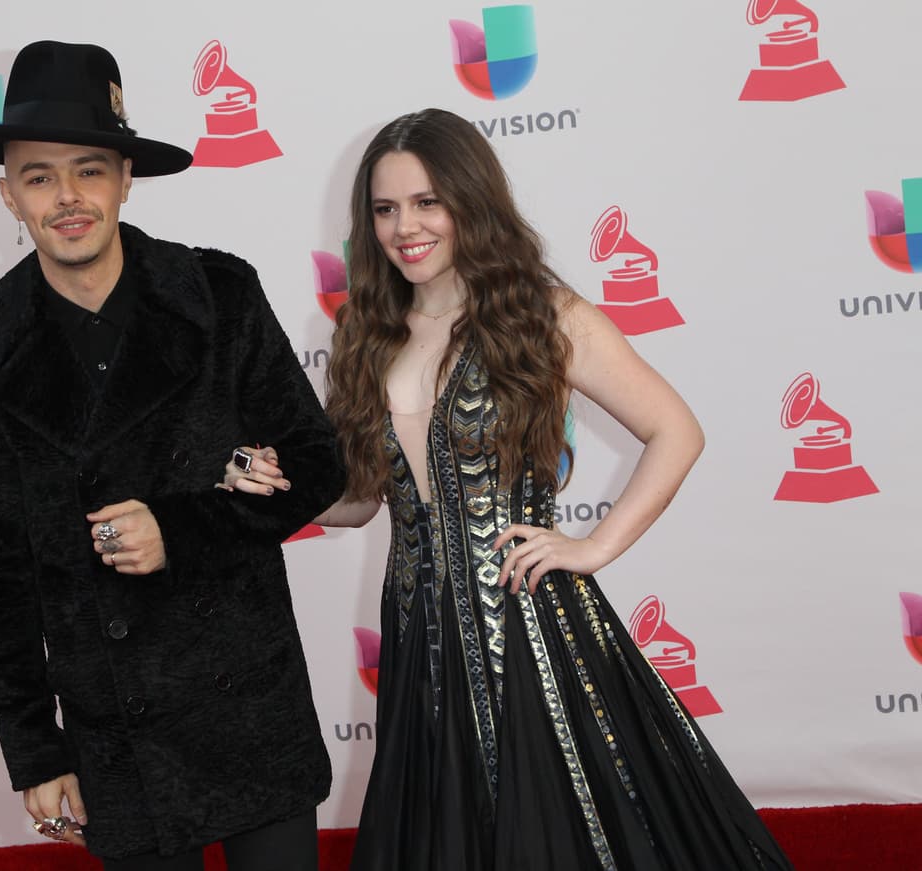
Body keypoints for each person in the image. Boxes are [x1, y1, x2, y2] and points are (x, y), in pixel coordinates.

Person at [222, 108, 794, 871]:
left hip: (532, 627)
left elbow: (677, 431)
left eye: (428, 202)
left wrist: (594, 546)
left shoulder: (545, 315)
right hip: (417, 630)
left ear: (470, 199)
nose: (405, 227)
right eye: (386, 209)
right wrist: (277, 486)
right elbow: (360, 500)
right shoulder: (366, 331)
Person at [0, 42, 345, 871]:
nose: (68, 197)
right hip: (116, 730)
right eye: (39, 176)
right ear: (7, 193)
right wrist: (34, 749)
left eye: (89, 169)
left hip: (248, 701)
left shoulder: (219, 295)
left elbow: (317, 462)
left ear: (126, 177)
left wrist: (181, 530)